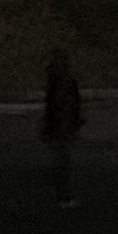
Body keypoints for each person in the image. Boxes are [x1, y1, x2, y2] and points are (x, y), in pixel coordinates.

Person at [40, 49, 85, 205]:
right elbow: (68, 105)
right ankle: (64, 195)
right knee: (63, 160)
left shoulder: (55, 81)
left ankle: (61, 193)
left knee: (60, 159)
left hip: (59, 125)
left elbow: (53, 106)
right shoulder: (66, 82)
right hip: (63, 126)